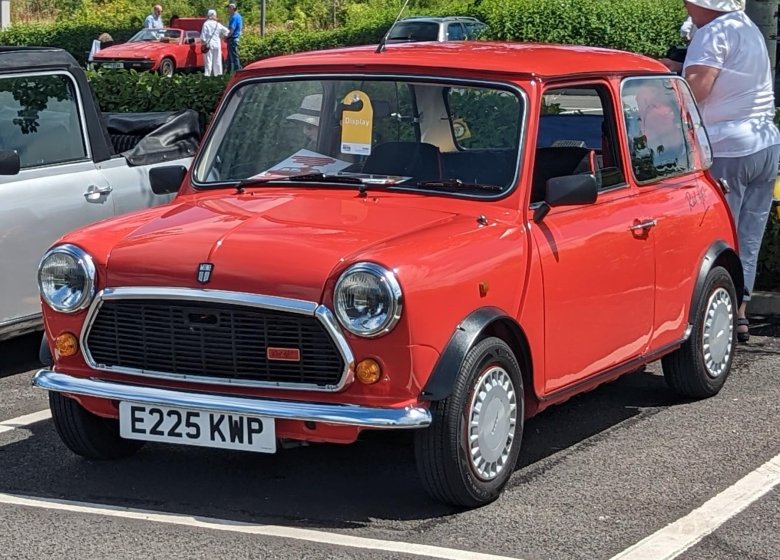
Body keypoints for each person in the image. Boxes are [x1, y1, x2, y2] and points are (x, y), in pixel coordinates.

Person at [678, 0, 780, 342]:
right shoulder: (746, 27)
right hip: (765, 145)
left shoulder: (714, 33)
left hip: (727, 148)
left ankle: (711, 324)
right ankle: (740, 315)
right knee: (748, 238)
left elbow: (695, 90)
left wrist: (669, 77)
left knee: (718, 239)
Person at [201, 9, 229, 77]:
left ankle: (208, 76)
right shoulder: (218, 24)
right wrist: (222, 36)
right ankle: (218, 76)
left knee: (208, 61)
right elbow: (227, 32)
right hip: (217, 44)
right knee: (217, 61)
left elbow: (203, 37)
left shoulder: (206, 24)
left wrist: (203, 44)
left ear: (208, 16)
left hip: (209, 45)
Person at [226, 3, 243, 73]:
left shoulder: (234, 17)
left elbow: (232, 30)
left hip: (233, 38)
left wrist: (226, 36)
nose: (228, 10)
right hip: (236, 38)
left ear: (232, 8)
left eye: (229, 8)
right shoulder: (239, 16)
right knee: (230, 56)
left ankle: (238, 71)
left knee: (234, 56)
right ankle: (228, 70)